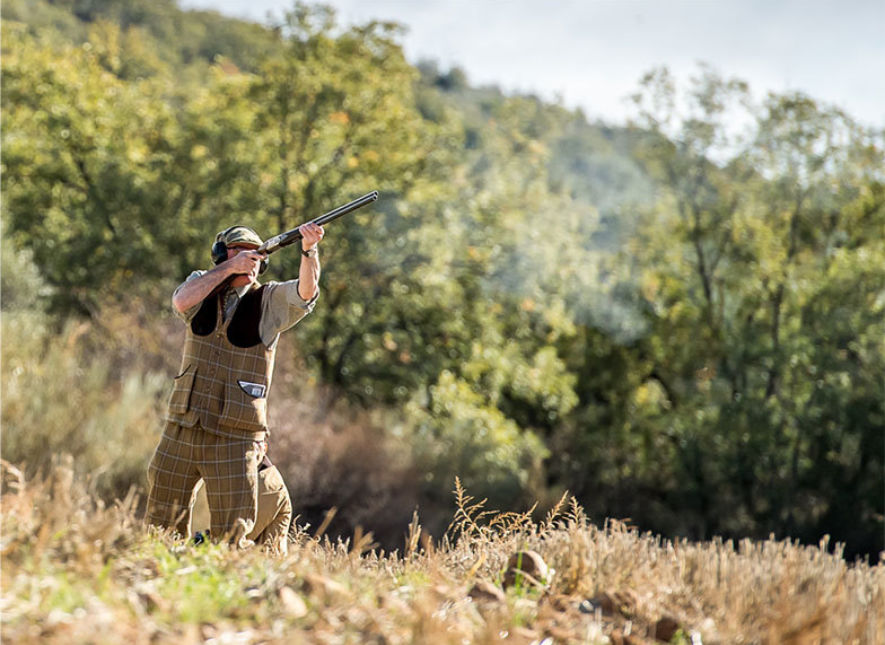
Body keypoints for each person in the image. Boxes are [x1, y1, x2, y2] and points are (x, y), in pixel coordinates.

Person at [146, 222, 323, 547]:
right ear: (221, 257)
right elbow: (181, 302)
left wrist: (309, 250)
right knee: (161, 528)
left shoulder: (268, 301)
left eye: (256, 255)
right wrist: (230, 269)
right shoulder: (201, 286)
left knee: (231, 537)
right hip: (184, 424)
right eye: (241, 252)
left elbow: (305, 293)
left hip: (235, 435)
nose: (251, 260)